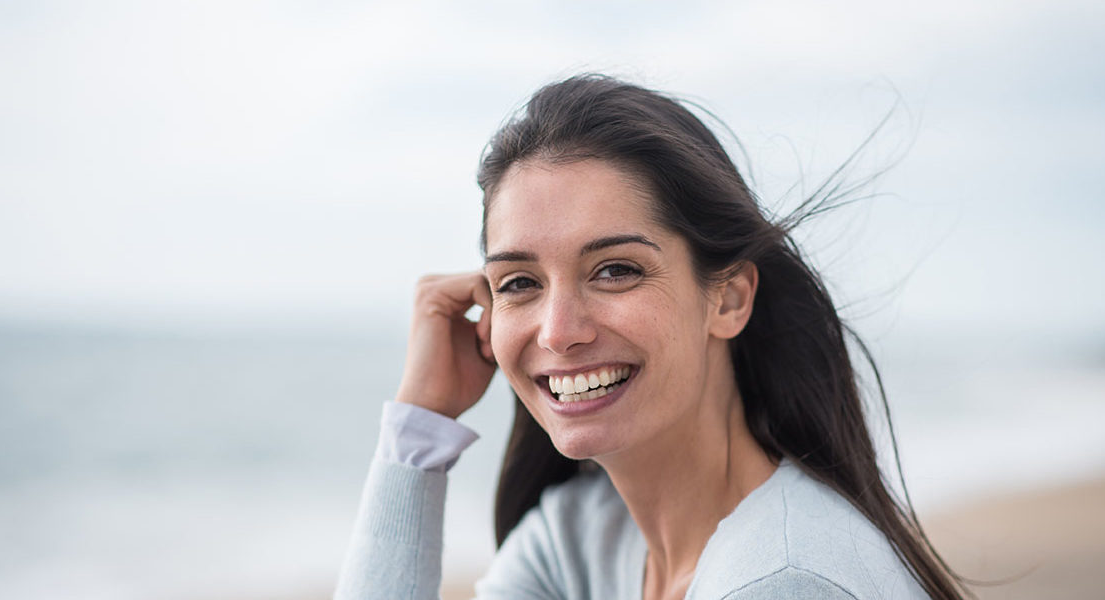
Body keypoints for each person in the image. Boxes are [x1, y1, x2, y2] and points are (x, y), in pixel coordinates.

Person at [336, 74, 966, 599]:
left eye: (615, 270)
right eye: (519, 283)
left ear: (729, 297)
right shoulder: (579, 544)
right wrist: (417, 431)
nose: (558, 332)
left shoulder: (786, 581)